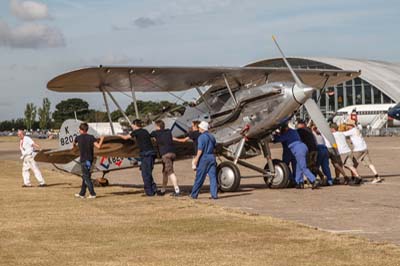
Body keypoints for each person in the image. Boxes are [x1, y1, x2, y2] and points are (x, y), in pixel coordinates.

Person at [119, 119, 159, 196]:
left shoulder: (136, 132)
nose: (132, 126)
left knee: (145, 174)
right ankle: (153, 189)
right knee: (148, 173)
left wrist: (118, 135)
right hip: (152, 154)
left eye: (132, 125)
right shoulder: (145, 131)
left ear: (135, 125)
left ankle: (149, 192)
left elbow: (126, 138)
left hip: (146, 154)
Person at [273, 123, 319, 189]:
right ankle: (299, 182)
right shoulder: (294, 131)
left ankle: (314, 180)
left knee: (303, 167)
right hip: (303, 147)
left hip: (298, 150)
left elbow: (278, 139)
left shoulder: (287, 133)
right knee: (298, 166)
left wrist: (274, 137)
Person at [343, 120, 382, 184]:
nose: (346, 126)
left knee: (351, 165)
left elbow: (342, 134)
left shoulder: (352, 130)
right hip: (364, 148)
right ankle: (377, 176)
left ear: (350, 125)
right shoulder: (357, 129)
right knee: (369, 164)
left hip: (358, 150)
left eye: (347, 125)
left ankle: (355, 178)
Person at [73, 123, 104, 199]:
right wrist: (102, 139)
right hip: (90, 160)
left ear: (81, 130)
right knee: (85, 176)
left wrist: (75, 145)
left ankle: (92, 193)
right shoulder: (91, 137)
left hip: (83, 160)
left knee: (86, 177)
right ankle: (82, 194)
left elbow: (73, 145)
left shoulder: (78, 138)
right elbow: (99, 146)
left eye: (79, 129)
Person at [150, 120, 181, 196]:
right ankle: (163, 190)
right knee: (165, 172)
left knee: (170, 172)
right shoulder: (168, 132)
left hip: (165, 154)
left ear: (158, 126)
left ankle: (177, 190)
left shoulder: (155, 133)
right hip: (172, 153)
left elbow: (150, 136)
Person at [191, 121, 218, 199]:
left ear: (202, 128)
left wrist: (196, 159)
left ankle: (194, 194)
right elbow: (215, 147)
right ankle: (214, 195)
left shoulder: (201, 137)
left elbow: (200, 150)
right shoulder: (212, 136)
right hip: (212, 157)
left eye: (199, 127)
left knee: (199, 177)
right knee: (213, 177)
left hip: (204, 158)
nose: (198, 128)